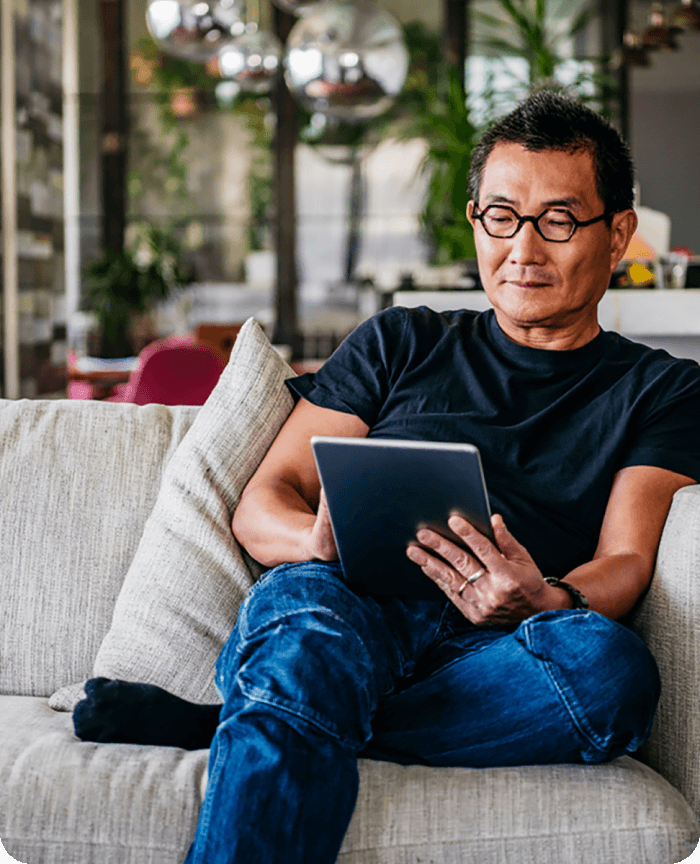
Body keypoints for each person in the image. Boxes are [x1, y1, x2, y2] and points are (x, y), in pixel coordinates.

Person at [74, 91, 700, 864]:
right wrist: (314, 541)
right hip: (349, 603)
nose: (524, 249)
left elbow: (627, 561)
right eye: (500, 216)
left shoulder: (663, 389)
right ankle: (292, 694)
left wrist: (547, 598)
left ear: (618, 236)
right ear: (475, 222)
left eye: (560, 220)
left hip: (506, 642)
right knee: (307, 636)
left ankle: (254, 715)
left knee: (613, 673)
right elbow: (262, 502)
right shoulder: (401, 342)